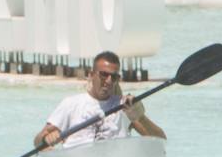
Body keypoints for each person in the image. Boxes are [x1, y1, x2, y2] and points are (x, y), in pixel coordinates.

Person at [34, 50, 165, 150]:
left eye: (114, 77)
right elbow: (38, 142)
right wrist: (47, 139)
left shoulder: (125, 106)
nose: (108, 81)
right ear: (91, 75)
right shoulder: (71, 104)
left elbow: (160, 140)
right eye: (103, 74)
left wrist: (140, 117)